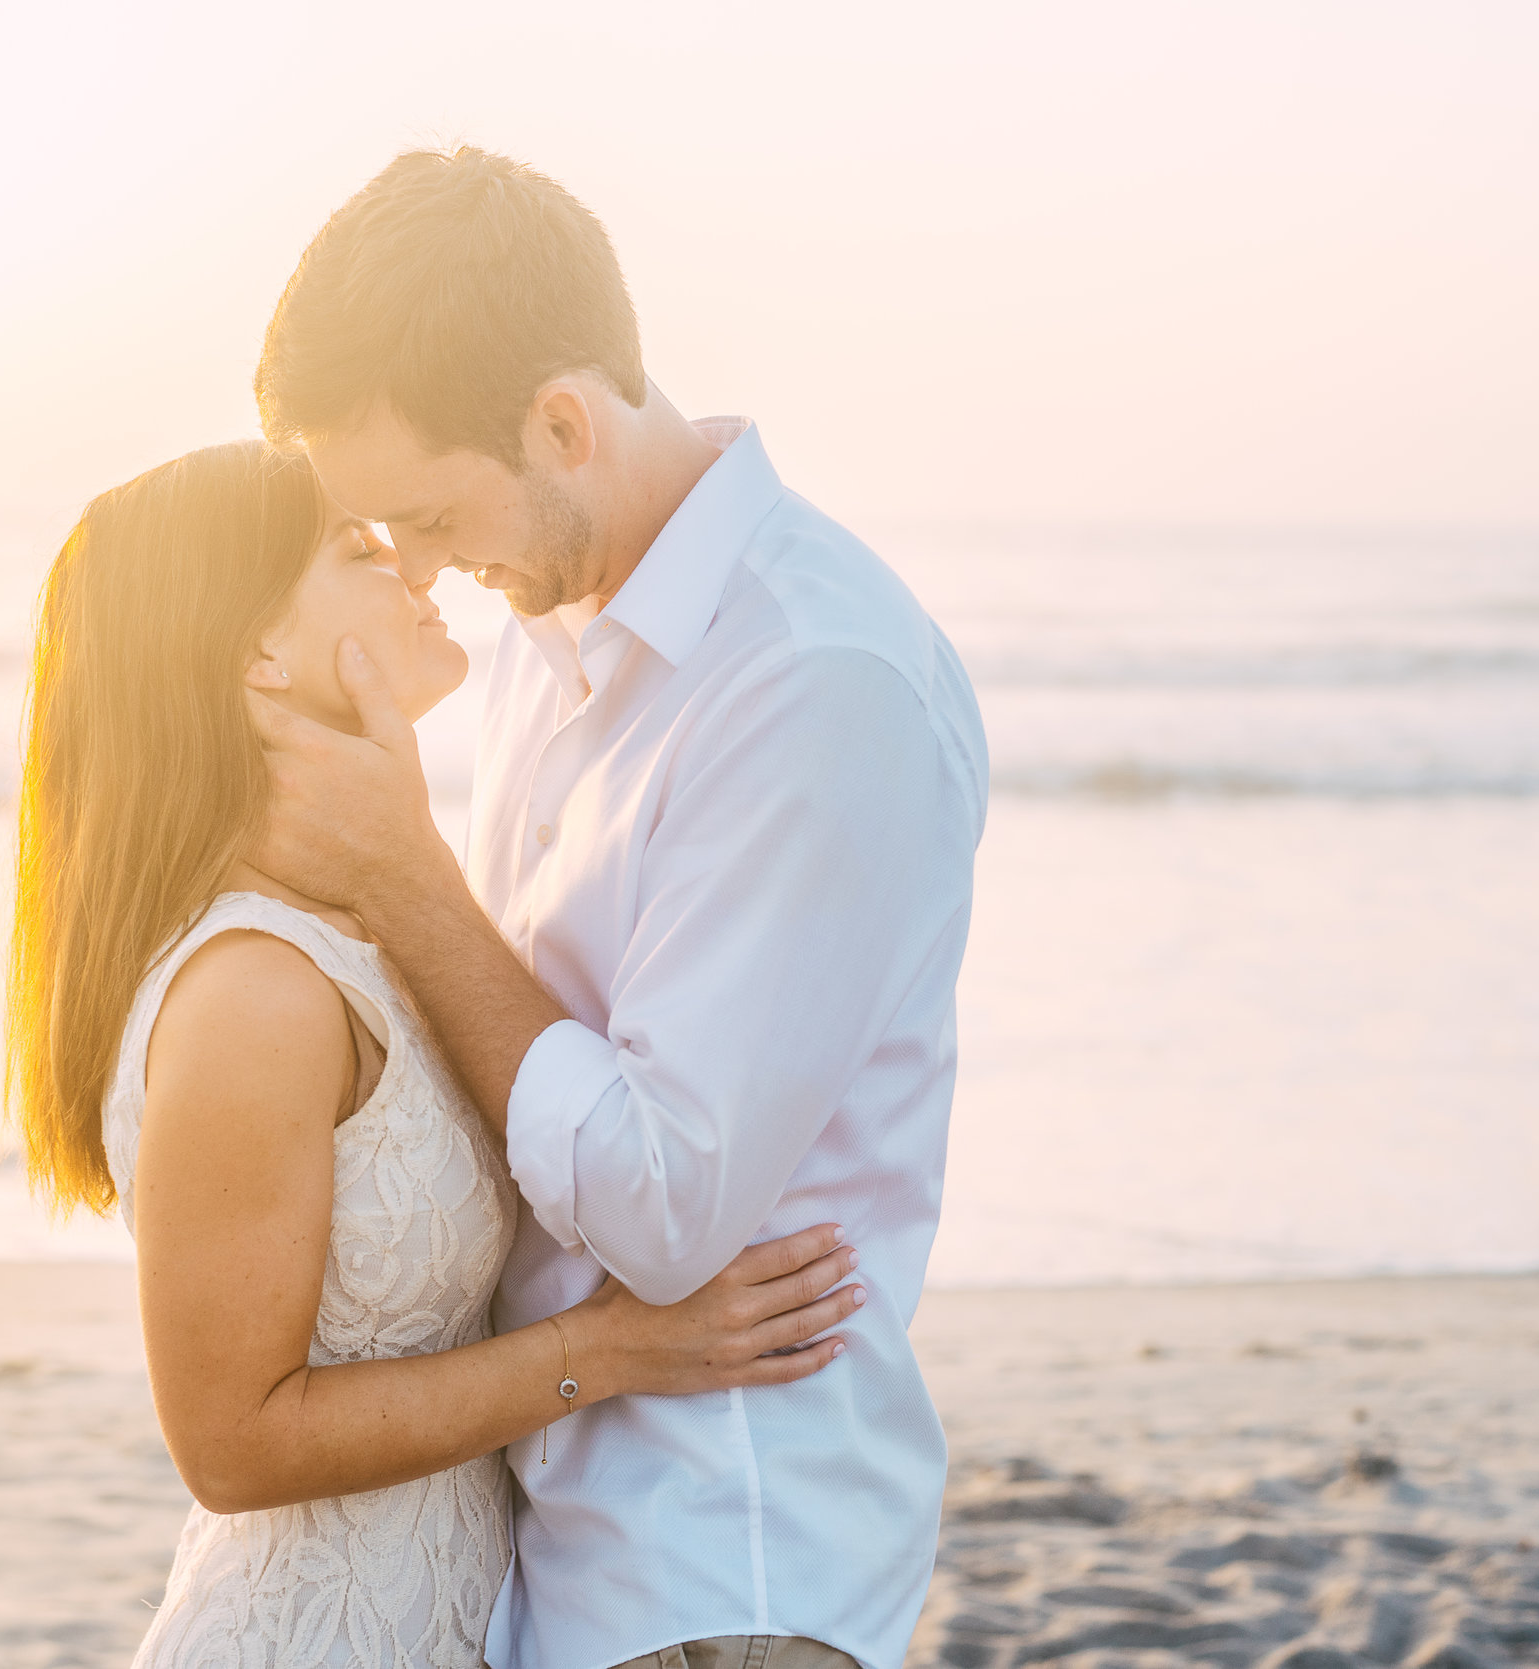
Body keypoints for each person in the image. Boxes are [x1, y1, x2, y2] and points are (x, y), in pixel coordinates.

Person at [247, 148, 991, 1669]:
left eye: (433, 518)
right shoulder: (548, 626)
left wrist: (403, 874)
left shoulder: (809, 681)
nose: (426, 575)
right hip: (557, 1540)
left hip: (722, 1562)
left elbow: (662, 1202)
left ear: (564, 423)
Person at [6, 439, 865, 1667]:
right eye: (360, 550)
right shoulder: (256, 989)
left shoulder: (368, 924)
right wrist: (611, 1350)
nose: (418, 569)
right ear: (257, 653)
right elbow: (231, 1441)